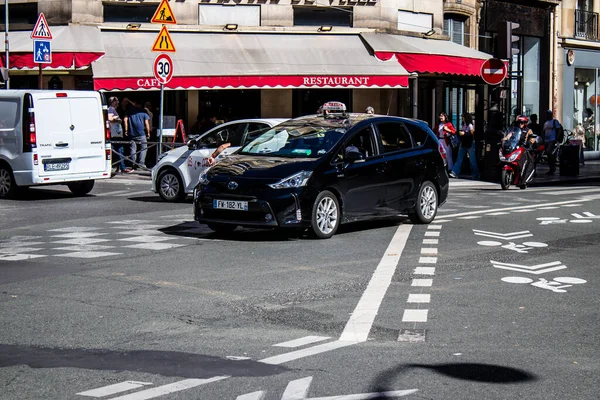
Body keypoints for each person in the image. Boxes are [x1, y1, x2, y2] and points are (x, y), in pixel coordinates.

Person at [449, 112, 479, 180]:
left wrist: (464, 133)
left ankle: (475, 173)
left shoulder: (470, 125)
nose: (462, 118)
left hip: (469, 144)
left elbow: (472, 133)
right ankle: (454, 172)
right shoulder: (464, 125)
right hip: (463, 143)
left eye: (463, 117)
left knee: (472, 160)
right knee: (459, 158)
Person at [123, 99, 151, 171]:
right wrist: (148, 132)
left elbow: (125, 120)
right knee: (144, 148)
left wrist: (126, 130)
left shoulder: (129, 111)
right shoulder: (143, 111)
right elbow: (146, 123)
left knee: (133, 148)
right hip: (141, 133)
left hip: (132, 133)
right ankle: (141, 163)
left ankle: (133, 163)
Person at [107, 97, 132, 174]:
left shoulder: (113, 109)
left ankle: (120, 167)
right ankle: (121, 167)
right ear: (112, 102)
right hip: (115, 134)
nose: (117, 103)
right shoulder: (111, 109)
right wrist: (118, 120)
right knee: (118, 150)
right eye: (116, 101)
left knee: (117, 150)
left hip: (116, 134)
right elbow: (110, 118)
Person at [542, 109, 562, 175]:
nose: (547, 115)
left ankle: (552, 167)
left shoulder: (554, 122)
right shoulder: (546, 123)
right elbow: (544, 132)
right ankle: (551, 167)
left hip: (552, 140)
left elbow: (559, 130)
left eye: (548, 114)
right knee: (547, 154)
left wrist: (557, 138)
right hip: (546, 140)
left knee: (549, 153)